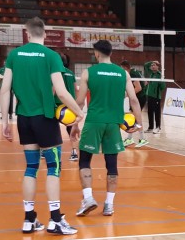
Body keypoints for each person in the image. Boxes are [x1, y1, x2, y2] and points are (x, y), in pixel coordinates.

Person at [0, 17, 85, 235]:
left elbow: (4, 90)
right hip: (45, 118)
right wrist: (79, 111)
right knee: (53, 168)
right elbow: (62, 92)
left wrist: (4, 122)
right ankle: (55, 220)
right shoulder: (51, 56)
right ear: (45, 33)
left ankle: (29, 219)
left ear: (26, 34)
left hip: (24, 118)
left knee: (30, 168)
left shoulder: (14, 55)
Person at [76, 40, 144, 217]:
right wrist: (138, 124)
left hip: (94, 122)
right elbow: (134, 100)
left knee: (84, 161)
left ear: (96, 53)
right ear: (111, 53)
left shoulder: (88, 72)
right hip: (114, 123)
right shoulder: (123, 73)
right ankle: (109, 205)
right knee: (112, 165)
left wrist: (74, 125)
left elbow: (80, 102)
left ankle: (89, 198)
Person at [120, 60, 147, 148]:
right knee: (132, 119)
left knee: (137, 118)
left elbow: (138, 88)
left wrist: (127, 95)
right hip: (138, 98)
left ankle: (143, 139)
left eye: (122, 69)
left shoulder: (133, 74)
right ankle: (130, 139)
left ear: (125, 68)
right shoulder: (134, 71)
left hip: (139, 98)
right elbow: (145, 83)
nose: (121, 70)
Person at [60, 52, 80, 162]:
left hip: (57, 105)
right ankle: (74, 153)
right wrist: (76, 106)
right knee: (71, 130)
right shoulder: (71, 73)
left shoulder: (55, 72)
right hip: (70, 106)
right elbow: (76, 90)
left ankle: (45, 152)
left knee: (49, 128)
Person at [143, 60, 165, 134]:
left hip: (156, 97)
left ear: (158, 66)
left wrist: (156, 89)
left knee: (157, 112)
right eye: (152, 65)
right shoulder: (150, 73)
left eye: (154, 65)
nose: (152, 66)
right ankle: (150, 127)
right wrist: (152, 61)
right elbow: (146, 65)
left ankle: (158, 127)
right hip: (149, 95)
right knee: (149, 112)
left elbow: (163, 87)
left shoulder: (160, 75)